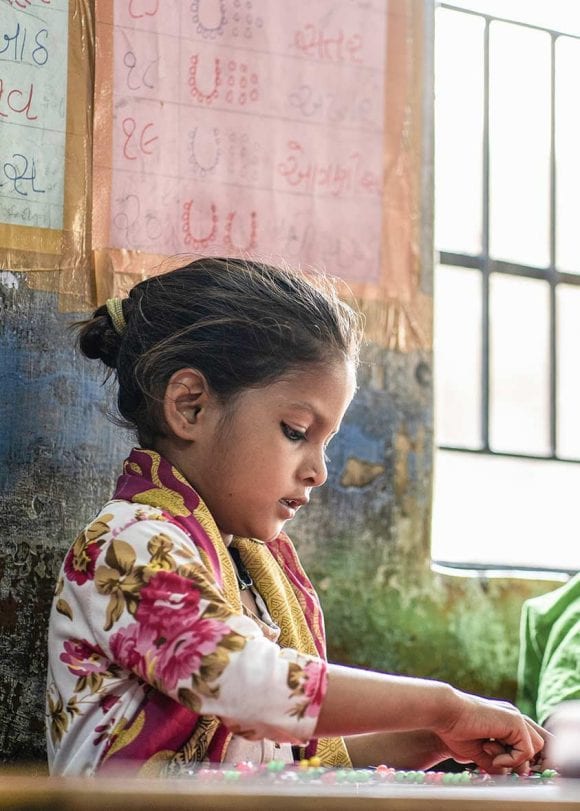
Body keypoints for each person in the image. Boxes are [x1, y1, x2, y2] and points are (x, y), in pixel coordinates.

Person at [46, 257, 547, 777]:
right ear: (190, 406)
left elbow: (293, 758)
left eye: (325, 443)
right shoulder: (129, 543)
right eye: (296, 431)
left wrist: (436, 736)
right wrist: (444, 706)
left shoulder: (250, 566)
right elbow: (254, 689)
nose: (319, 472)